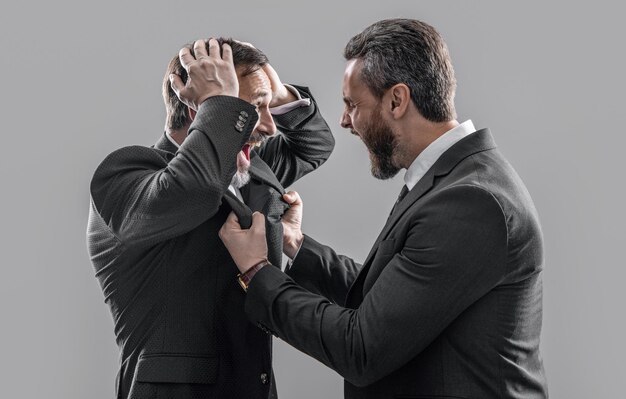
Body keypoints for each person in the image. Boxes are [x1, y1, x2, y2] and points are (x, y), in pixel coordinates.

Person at [219, 19, 549, 398]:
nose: (344, 121)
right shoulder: (454, 179)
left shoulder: (471, 201)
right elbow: (387, 299)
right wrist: (296, 244)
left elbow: (360, 349)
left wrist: (257, 271)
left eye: (352, 104)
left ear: (397, 100)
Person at [86, 38, 334, 399]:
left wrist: (276, 93)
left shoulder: (248, 168)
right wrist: (218, 101)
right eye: (251, 109)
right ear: (198, 107)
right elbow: (195, 189)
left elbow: (314, 145)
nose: (268, 126)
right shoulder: (126, 175)